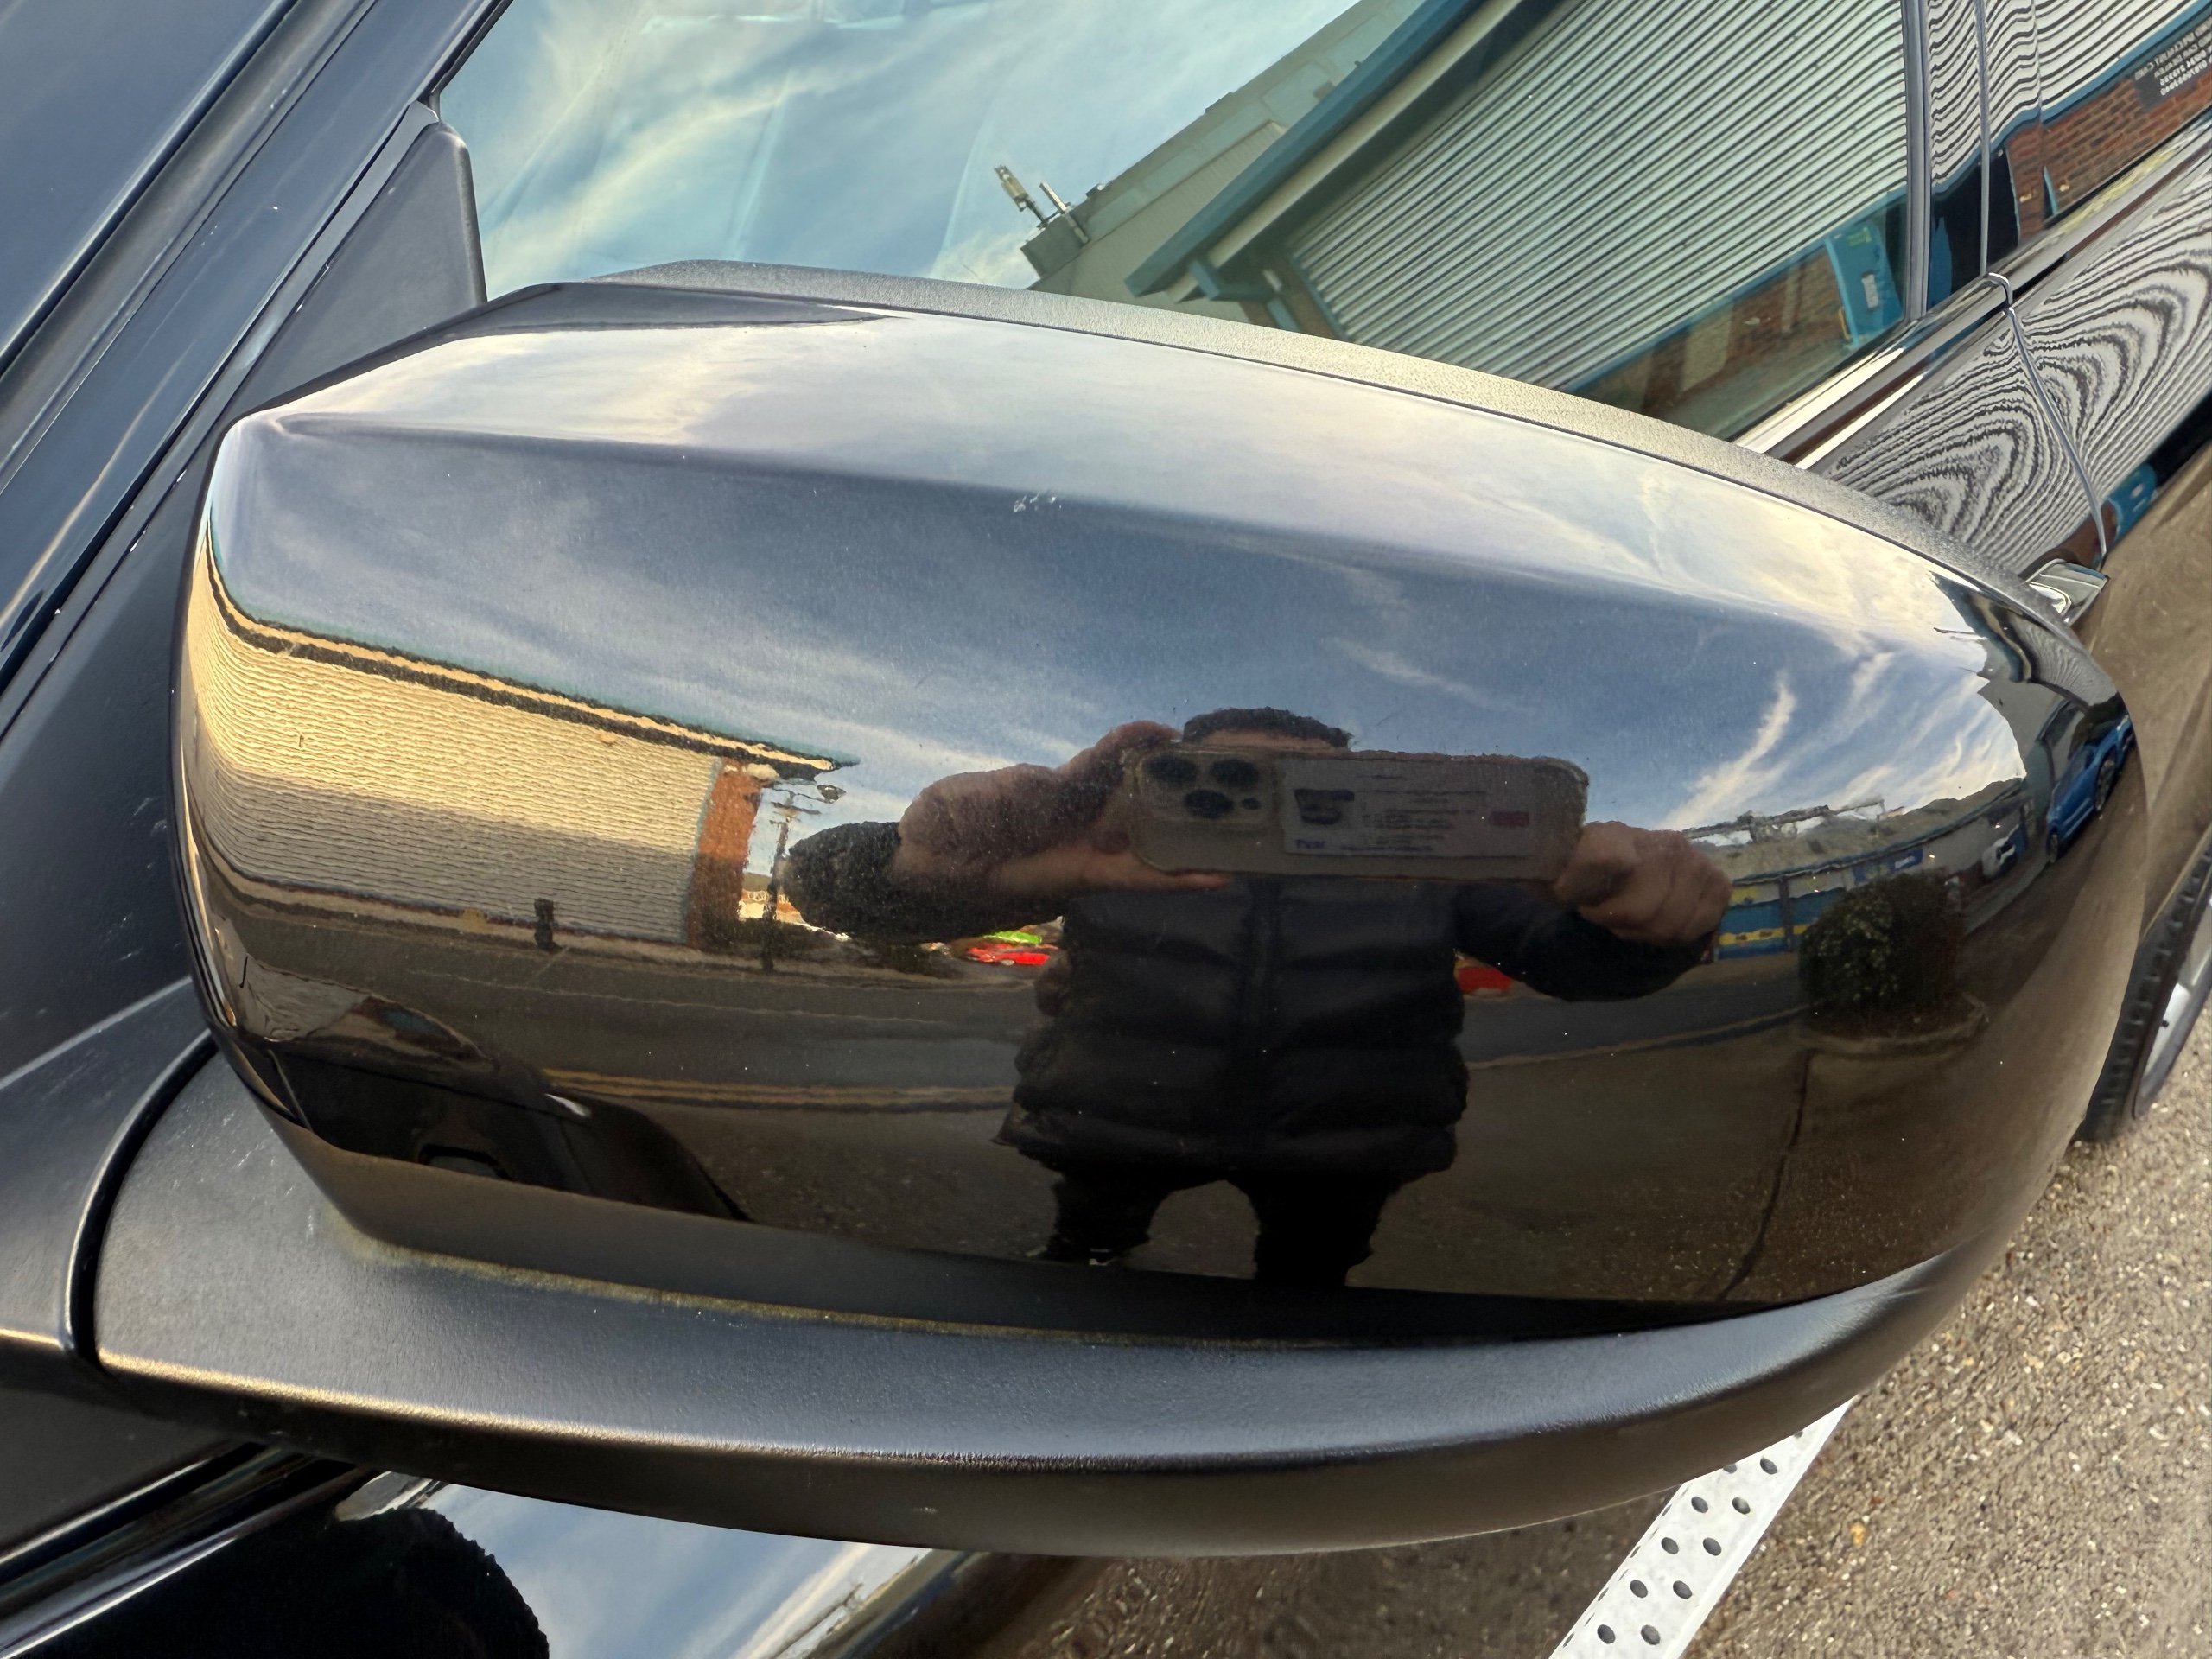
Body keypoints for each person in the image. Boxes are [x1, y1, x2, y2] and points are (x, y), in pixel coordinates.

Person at [785, 709, 1728, 1287]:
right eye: (1227, 784)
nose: (1264, 811)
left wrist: (1650, 927)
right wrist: (915, 867)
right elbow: (834, 898)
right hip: (1116, 1123)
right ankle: (1090, 1254)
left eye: (1306, 786)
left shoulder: (1426, 865)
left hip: (1345, 1144)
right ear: (1154, 787)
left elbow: (1572, 965)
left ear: (1363, 785)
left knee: (1310, 1280)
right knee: (1090, 1242)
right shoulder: (1108, 851)